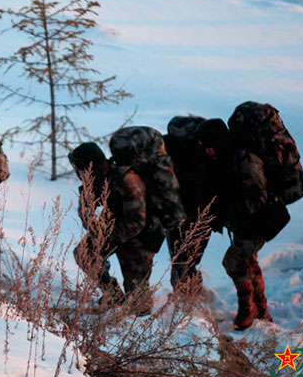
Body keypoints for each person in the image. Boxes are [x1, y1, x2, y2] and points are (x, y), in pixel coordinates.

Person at [197, 118, 284, 330]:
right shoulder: (225, 159)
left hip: (258, 223)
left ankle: (248, 309)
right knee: (249, 262)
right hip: (245, 224)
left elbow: (258, 199)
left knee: (233, 262)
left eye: (209, 146)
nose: (207, 152)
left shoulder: (245, 160)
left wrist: (237, 211)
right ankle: (261, 310)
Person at [69, 140, 166, 316]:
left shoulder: (127, 180)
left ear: (94, 166)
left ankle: (143, 324)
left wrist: (108, 238)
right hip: (116, 229)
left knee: (137, 299)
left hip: (141, 236)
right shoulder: (96, 180)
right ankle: (112, 295)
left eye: (83, 170)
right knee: (84, 254)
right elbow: (86, 210)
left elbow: (137, 222)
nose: (80, 175)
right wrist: (90, 218)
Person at [164, 115, 223, 290]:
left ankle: (186, 295)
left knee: (180, 258)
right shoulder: (204, 150)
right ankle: (189, 294)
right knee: (188, 258)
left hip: (180, 209)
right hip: (203, 210)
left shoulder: (172, 147)